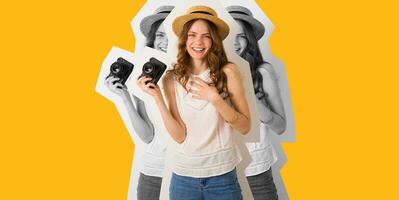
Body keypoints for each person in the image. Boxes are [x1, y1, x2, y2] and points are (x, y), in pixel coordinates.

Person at [137, 6, 251, 200]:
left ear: (214, 40)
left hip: (222, 177)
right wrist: (158, 97)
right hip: (183, 179)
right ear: (185, 39)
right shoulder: (171, 79)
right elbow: (180, 136)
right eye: (192, 35)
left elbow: (245, 127)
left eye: (206, 36)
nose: (198, 42)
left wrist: (215, 98)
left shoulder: (228, 72)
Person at [105, 5, 174, 200]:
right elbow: (148, 136)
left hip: (186, 173)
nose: (164, 41)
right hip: (153, 172)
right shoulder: (143, 74)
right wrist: (126, 97)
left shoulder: (192, 73)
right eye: (160, 35)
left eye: (170, 34)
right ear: (153, 38)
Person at [227, 6, 287, 200]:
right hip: (220, 170)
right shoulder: (212, 71)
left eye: (241, 36)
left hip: (256, 169)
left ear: (249, 39)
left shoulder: (263, 72)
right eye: (229, 35)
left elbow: (280, 127)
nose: (235, 42)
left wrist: (252, 98)